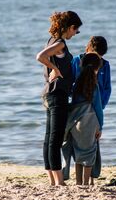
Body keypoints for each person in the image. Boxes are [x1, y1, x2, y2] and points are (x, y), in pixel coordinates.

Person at [36, 11, 82, 186]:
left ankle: (52, 180)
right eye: (76, 31)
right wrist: (54, 68)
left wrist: (53, 67)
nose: (74, 35)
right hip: (57, 95)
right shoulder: (60, 43)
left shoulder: (52, 41)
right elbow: (40, 56)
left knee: (49, 138)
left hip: (50, 94)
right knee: (55, 139)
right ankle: (59, 182)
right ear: (70, 27)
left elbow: (44, 55)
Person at [71, 36, 111, 184]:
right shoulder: (76, 61)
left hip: (95, 109)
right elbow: (72, 86)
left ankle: (91, 179)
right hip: (80, 111)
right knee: (84, 147)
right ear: (88, 50)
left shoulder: (105, 66)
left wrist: (99, 107)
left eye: (100, 58)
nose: (98, 62)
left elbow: (107, 89)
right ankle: (84, 181)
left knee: (93, 145)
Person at [62, 53, 103, 185]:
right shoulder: (94, 86)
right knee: (89, 154)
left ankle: (78, 182)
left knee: (78, 153)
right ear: (97, 69)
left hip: (74, 122)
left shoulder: (76, 85)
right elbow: (98, 108)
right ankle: (86, 183)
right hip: (89, 121)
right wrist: (100, 126)